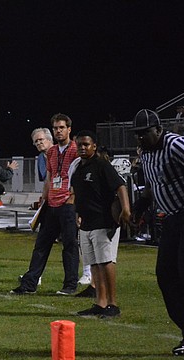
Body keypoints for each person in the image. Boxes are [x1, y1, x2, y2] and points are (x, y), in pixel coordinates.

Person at [131, 108, 184, 355]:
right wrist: (140, 206)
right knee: (166, 276)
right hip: (172, 218)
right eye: (138, 133)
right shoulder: (146, 153)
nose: (141, 137)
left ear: (159, 129)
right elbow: (153, 184)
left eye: (145, 132)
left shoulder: (177, 144)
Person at [11, 113, 80, 294]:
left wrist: (73, 199)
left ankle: (70, 285)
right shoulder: (51, 152)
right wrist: (43, 200)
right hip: (52, 203)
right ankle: (29, 284)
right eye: (55, 128)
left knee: (70, 245)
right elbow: (49, 177)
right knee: (41, 245)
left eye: (62, 128)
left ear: (69, 129)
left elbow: (78, 176)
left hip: (67, 202)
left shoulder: (75, 149)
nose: (58, 131)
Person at [69, 131, 131, 318]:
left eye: (86, 144)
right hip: (86, 222)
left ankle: (113, 304)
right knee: (94, 264)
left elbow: (120, 186)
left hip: (103, 221)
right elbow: (78, 193)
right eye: (80, 145)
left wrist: (126, 209)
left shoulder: (102, 165)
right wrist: (77, 213)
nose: (82, 148)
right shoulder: (78, 167)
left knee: (106, 261)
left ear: (94, 146)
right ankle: (100, 302)